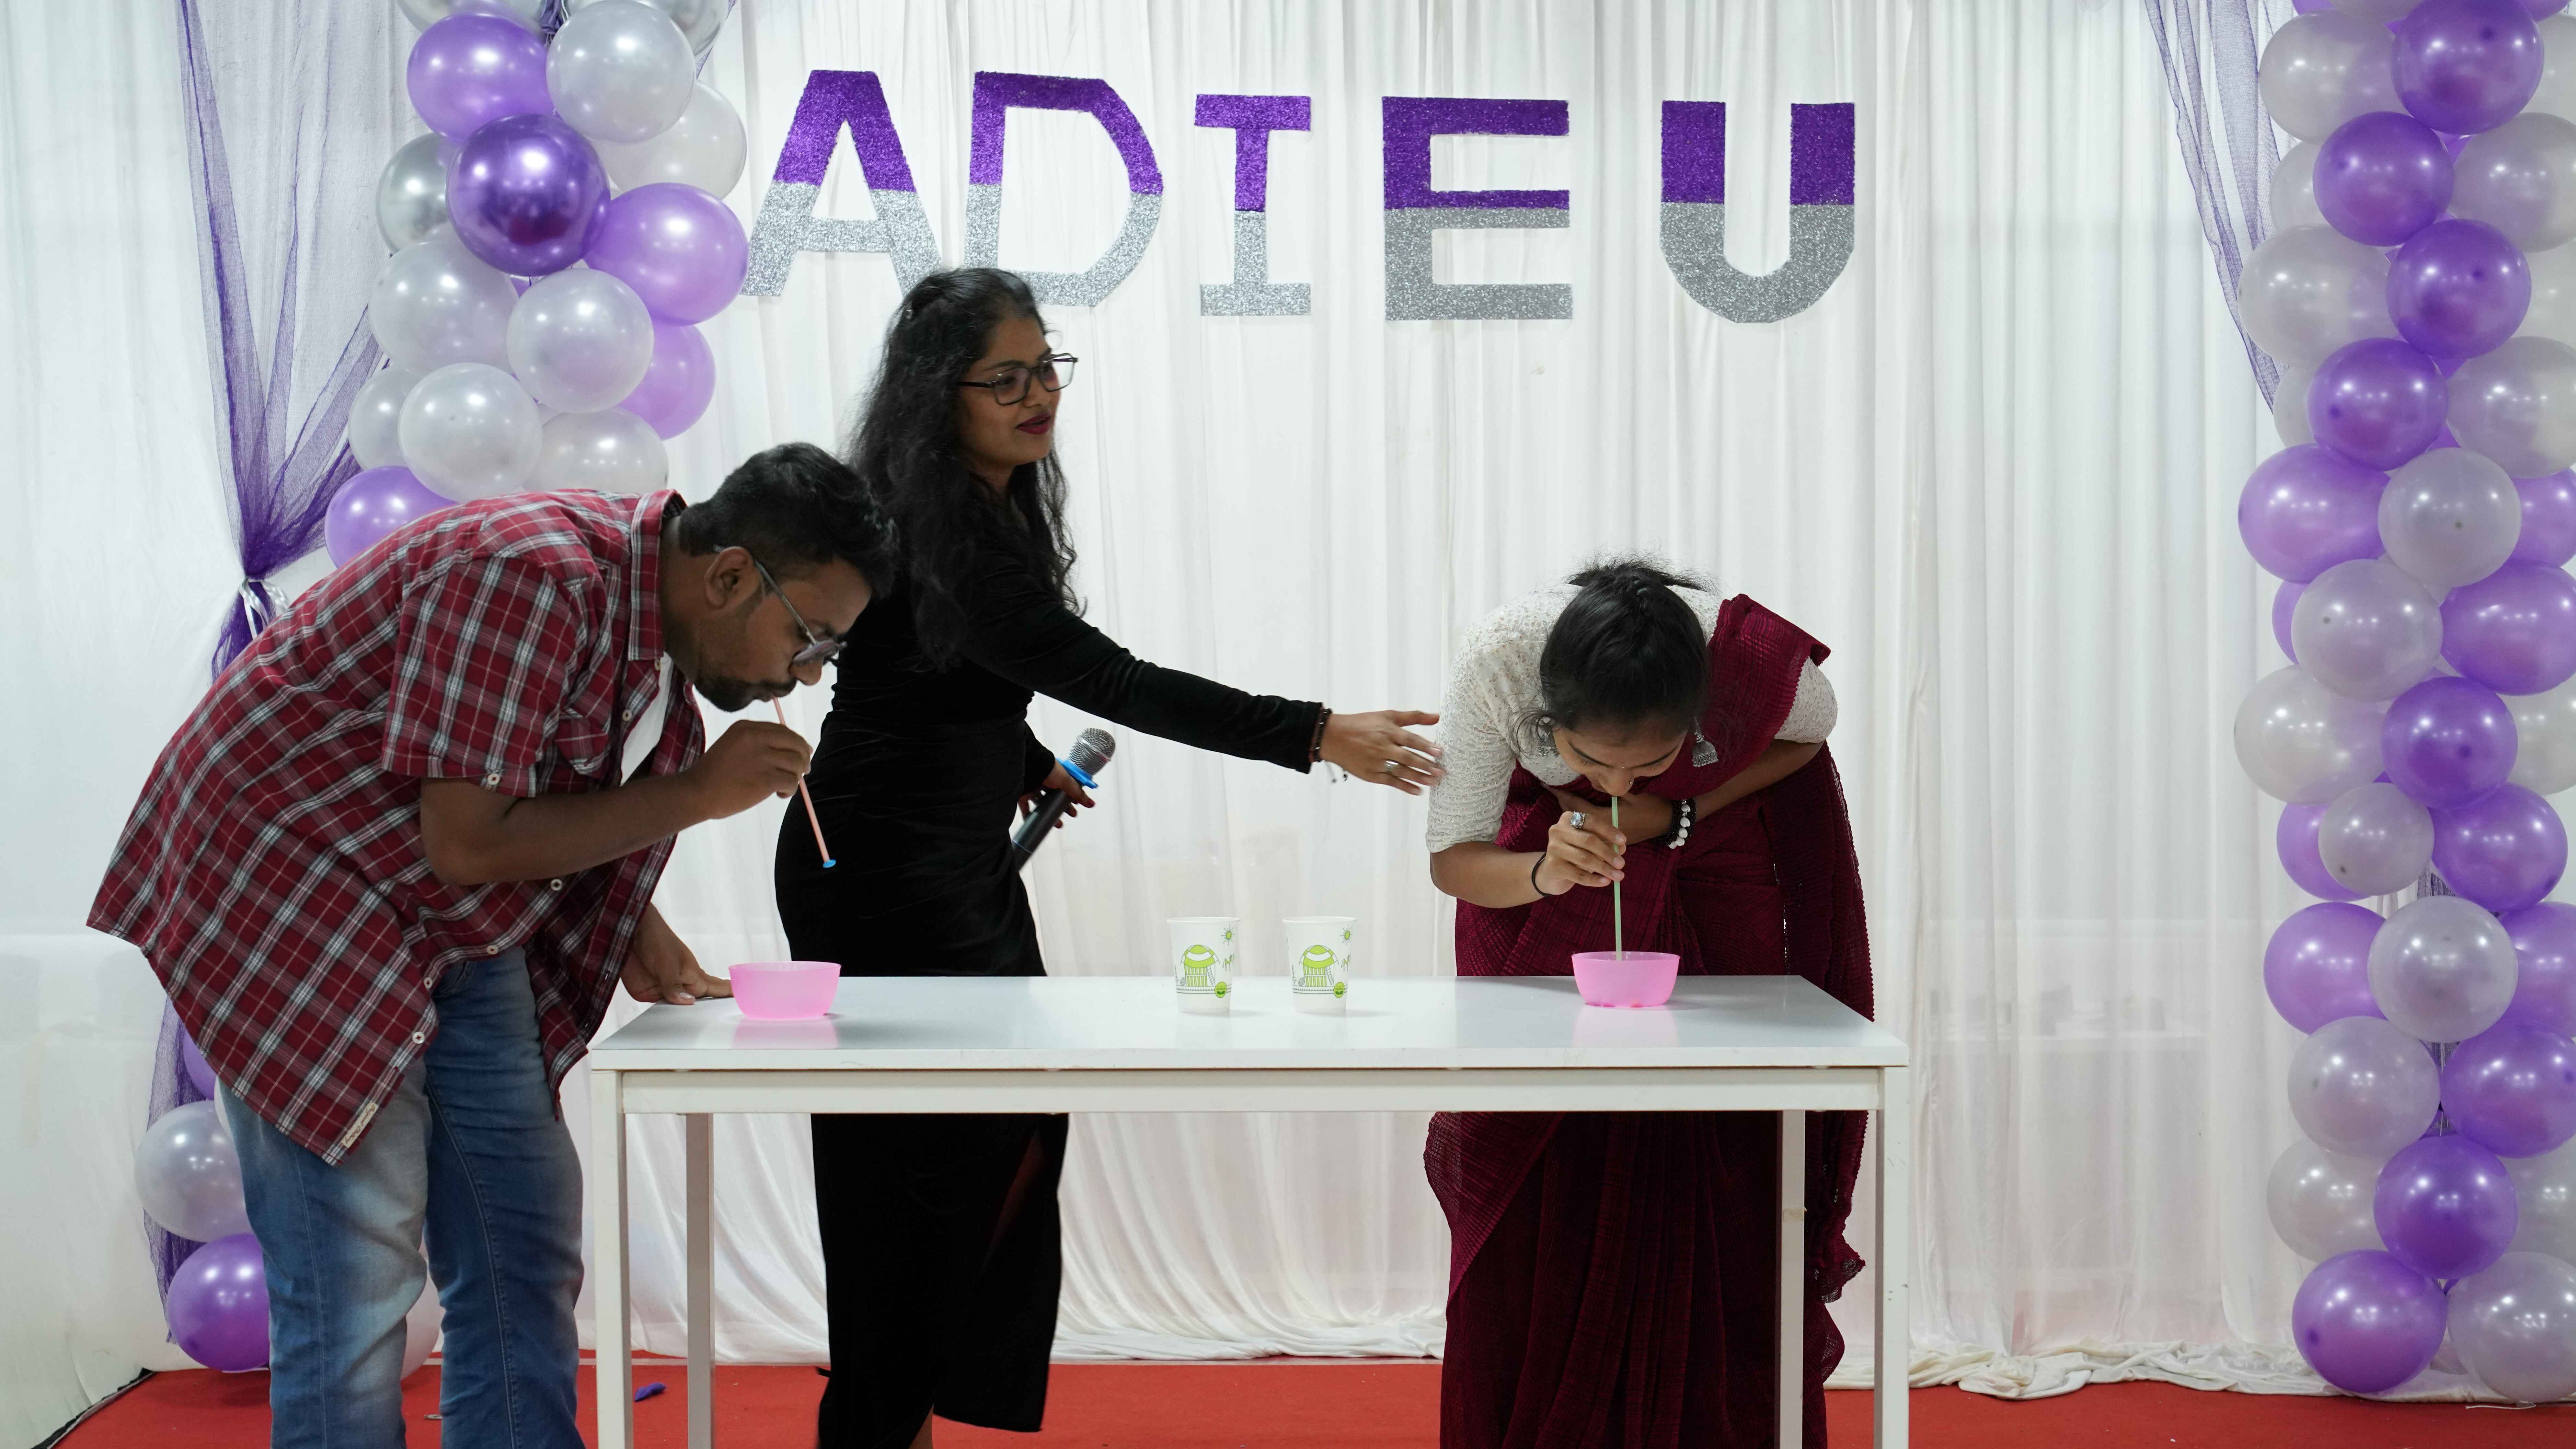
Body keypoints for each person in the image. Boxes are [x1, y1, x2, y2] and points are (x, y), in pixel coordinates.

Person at [89, 444, 886, 1449]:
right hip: (292, 889)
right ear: (730, 576)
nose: (804, 676)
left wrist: (635, 921)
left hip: (442, 911)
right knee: (353, 1278)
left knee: (523, 1239)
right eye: (811, 638)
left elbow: (527, 782)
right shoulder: (531, 572)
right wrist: (697, 795)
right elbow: (468, 839)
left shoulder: (643, 630)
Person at [774, 266, 1444, 1449]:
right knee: (914, 1178)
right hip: (875, 874)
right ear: (938, 394)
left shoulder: (988, 508)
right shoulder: (940, 526)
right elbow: (1110, 680)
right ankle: (872, 1428)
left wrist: (1021, 754)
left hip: (954, 870)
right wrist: (1314, 732)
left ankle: (889, 1418)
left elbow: (950, 675)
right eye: (1006, 378)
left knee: (995, 1143)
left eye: (1047, 368)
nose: (1039, 396)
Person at [1421, 559, 1874, 1449]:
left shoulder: (1762, 671)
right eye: (1592, 759)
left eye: (1651, 759)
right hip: (1542, 865)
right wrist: (1547, 871)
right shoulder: (1499, 667)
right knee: (1544, 1147)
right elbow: (1454, 859)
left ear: (1699, 715)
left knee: (1726, 1138)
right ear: (1548, 720)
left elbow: (1808, 739)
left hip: (1714, 863)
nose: (1619, 782)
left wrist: (1677, 814)